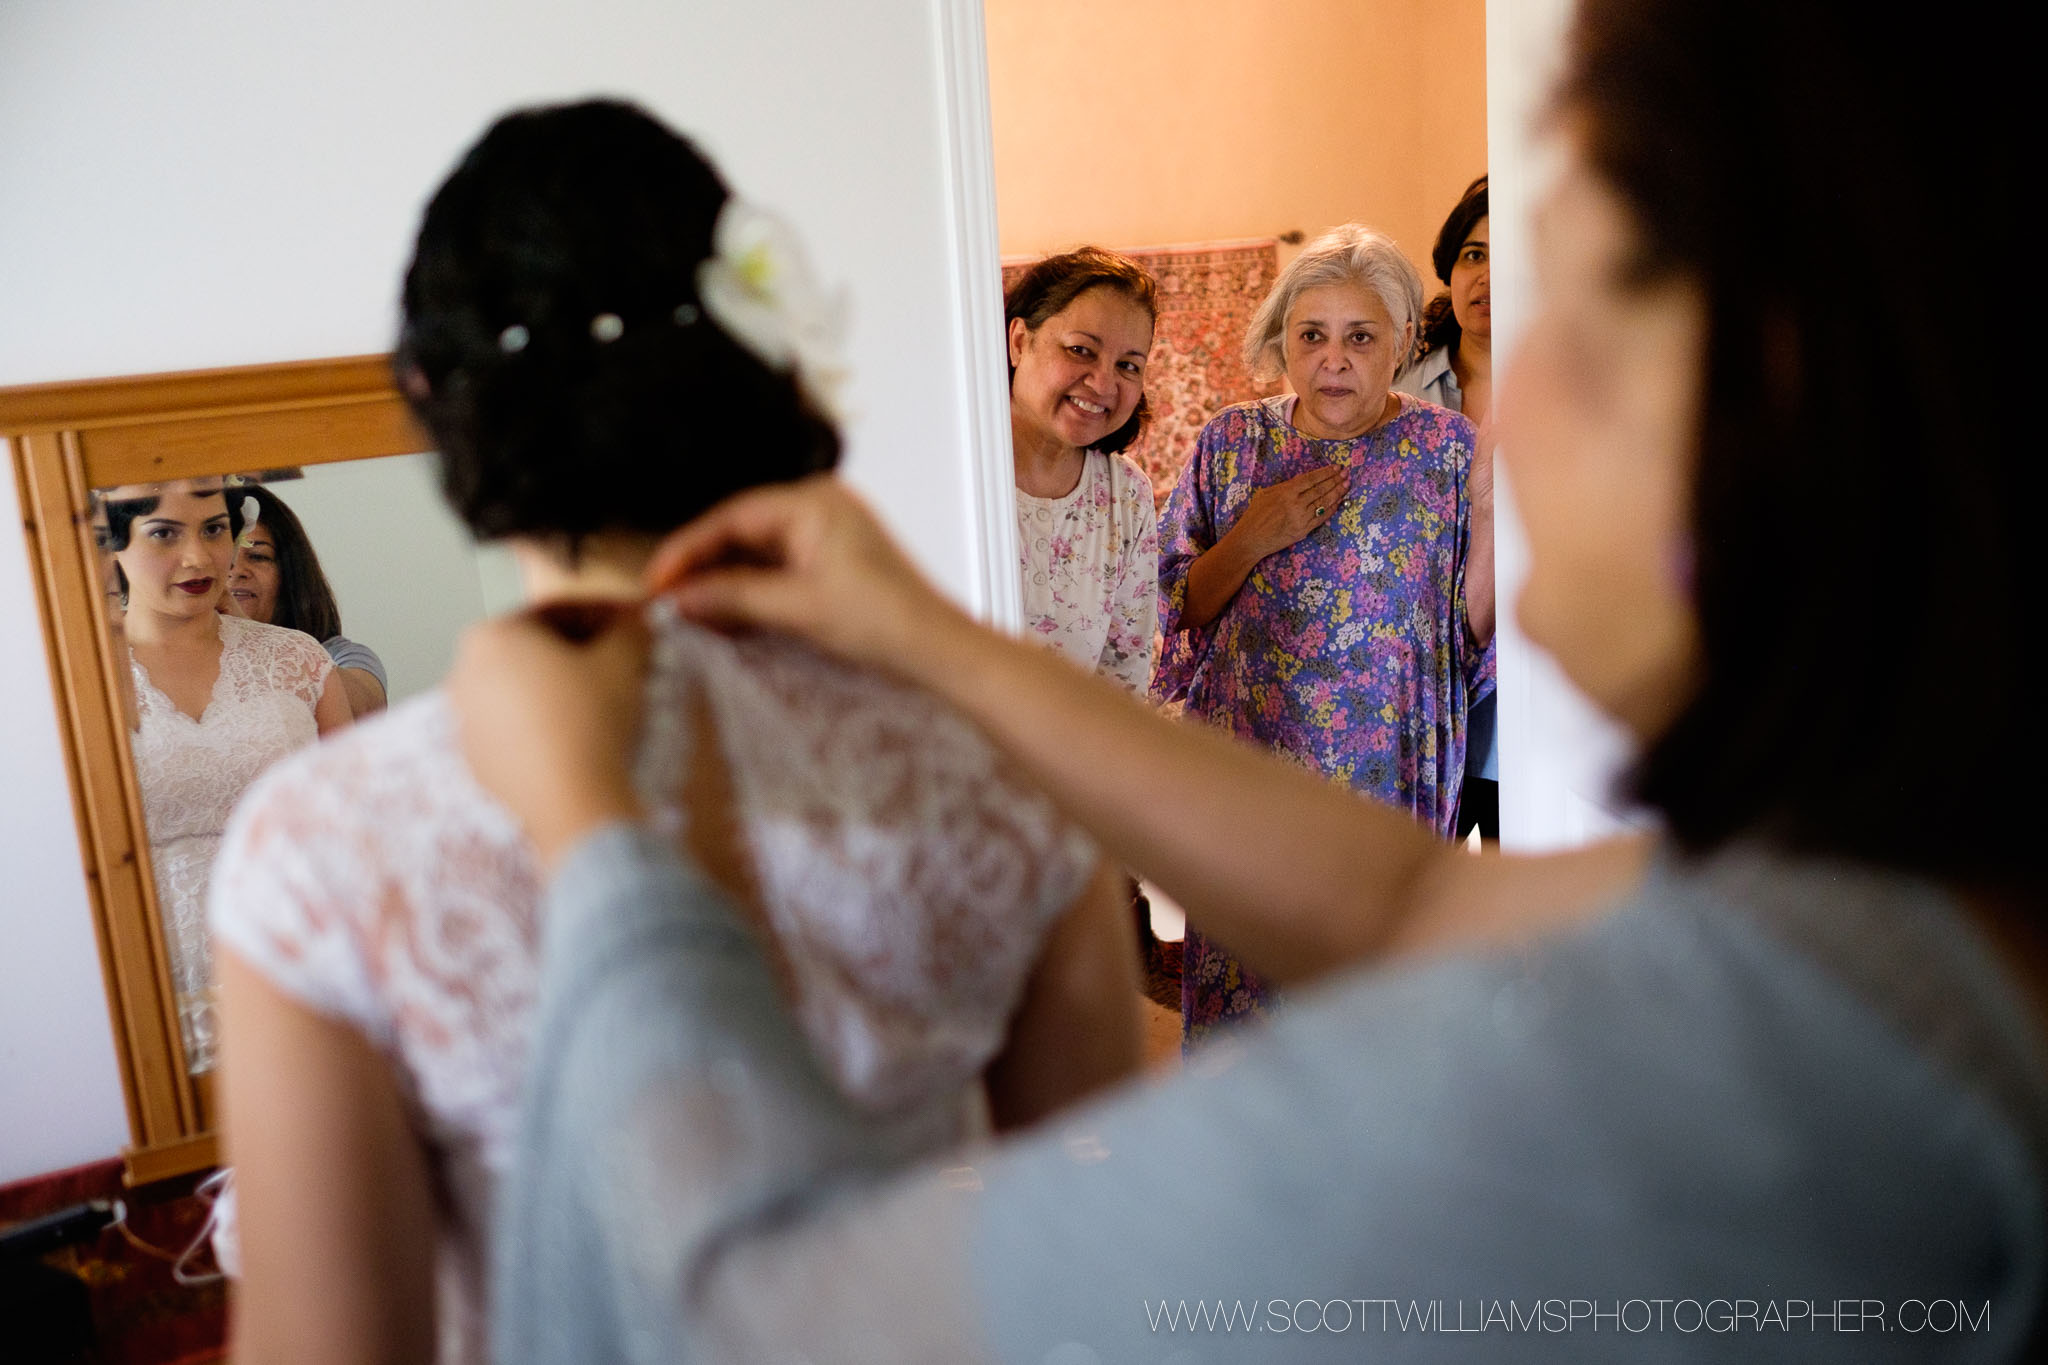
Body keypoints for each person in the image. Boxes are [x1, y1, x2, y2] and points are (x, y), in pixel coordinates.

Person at [449, 0, 2041, 1358]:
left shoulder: (1678, 1081)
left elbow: (764, 1317)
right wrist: (935, 638)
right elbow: (1415, 909)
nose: (1489, 410)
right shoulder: (1909, 917)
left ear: (1791, 389)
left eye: (1557, 315)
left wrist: (600, 837)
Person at [206, 100, 1138, 1365]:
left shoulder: (323, 843)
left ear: (431, 396)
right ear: (755, 360)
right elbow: (1089, 1274)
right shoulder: (1001, 774)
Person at [1152, 224, 1496, 1040]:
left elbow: (1474, 640)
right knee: (1248, 1007)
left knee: (1377, 1011)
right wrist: (1252, 536)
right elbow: (1177, 610)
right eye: (1311, 335)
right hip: (1250, 779)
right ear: (1283, 342)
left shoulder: (1447, 449)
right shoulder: (1232, 445)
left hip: (1392, 782)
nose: (1333, 359)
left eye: (1360, 337)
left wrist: (1488, 512)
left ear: (1403, 341)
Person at [100, 478, 349, 1073]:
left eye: (214, 529)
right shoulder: (79, 675)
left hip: (301, 960)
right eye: (164, 533)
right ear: (111, 545)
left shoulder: (297, 659)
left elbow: (352, 828)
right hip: (145, 982)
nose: (199, 557)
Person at [1395, 175, 1500, 843]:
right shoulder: (1397, 387)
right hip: (1413, 689)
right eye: (1473, 254)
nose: (1487, 274)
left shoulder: (1569, 386)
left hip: (1522, 698)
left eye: (1506, 253)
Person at [1005, 247, 1160, 693]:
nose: (1103, 383)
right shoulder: (953, 466)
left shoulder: (1126, 496)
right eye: (1080, 350)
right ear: (1019, 341)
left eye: (1128, 366)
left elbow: (1122, 679)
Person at [225, 483, 390, 718]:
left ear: (291, 573)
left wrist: (252, 634)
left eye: (258, 556)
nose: (237, 570)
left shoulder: (340, 655)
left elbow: (364, 712)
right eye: (226, 557)